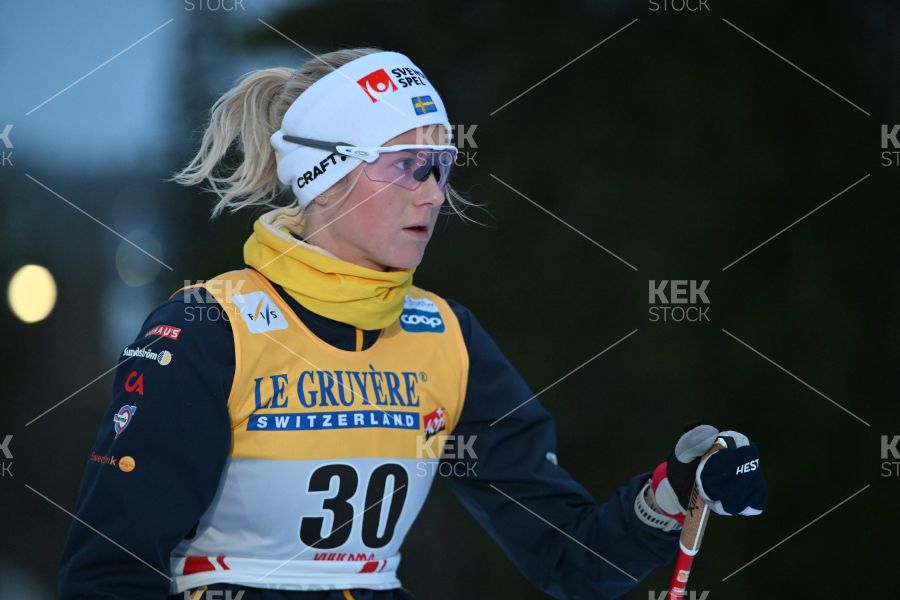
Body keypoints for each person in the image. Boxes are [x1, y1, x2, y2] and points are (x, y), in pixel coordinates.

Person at [58, 47, 767, 600]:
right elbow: (110, 572)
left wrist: (676, 490)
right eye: (407, 165)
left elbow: (568, 556)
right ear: (325, 176)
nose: (432, 193)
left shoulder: (443, 336)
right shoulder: (210, 328)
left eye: (441, 165)